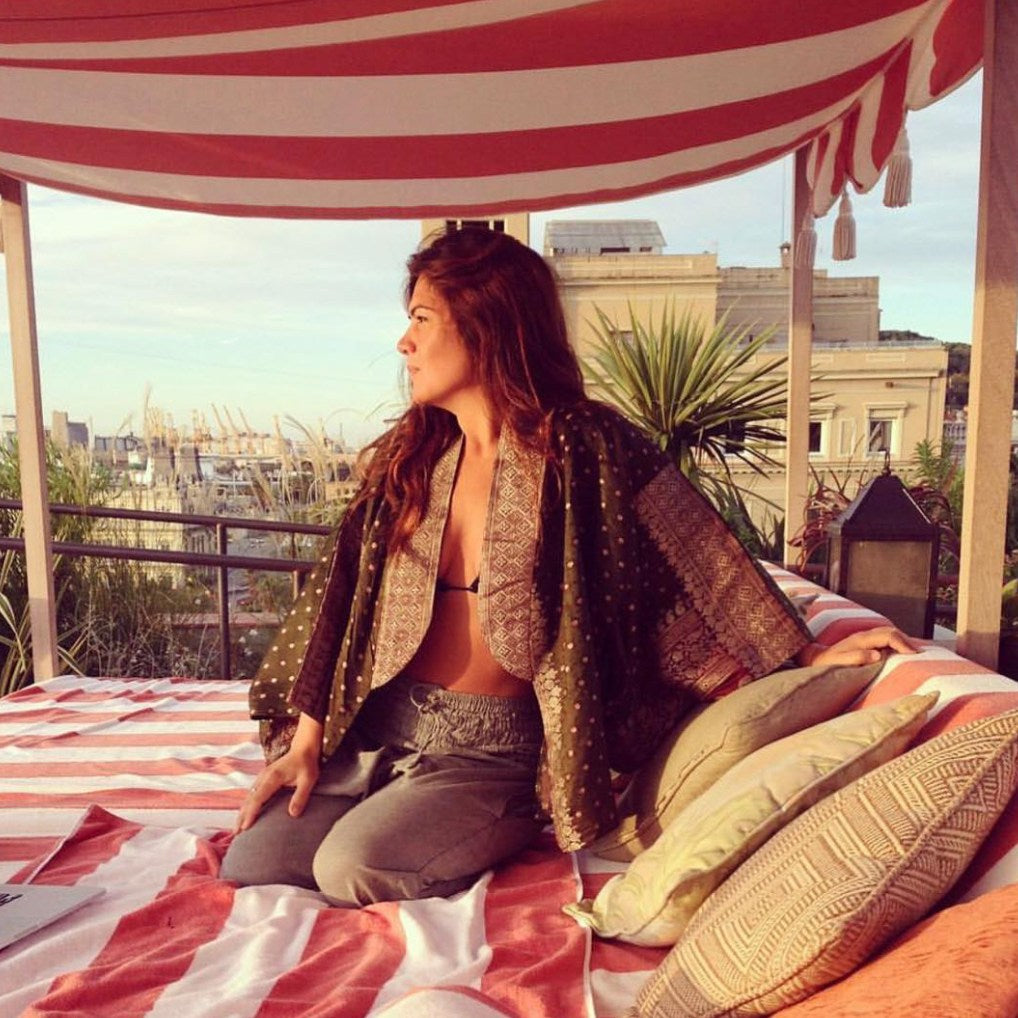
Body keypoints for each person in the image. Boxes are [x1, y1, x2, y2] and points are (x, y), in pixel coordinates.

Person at [220, 227, 914, 907]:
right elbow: (338, 606)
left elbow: (697, 560)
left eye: (421, 320)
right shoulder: (411, 456)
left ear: (485, 324)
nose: (404, 342)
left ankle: (518, 813)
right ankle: (384, 803)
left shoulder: (585, 448)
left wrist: (804, 654)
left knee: (353, 868)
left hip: (489, 758)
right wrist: (307, 743)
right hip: (376, 729)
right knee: (254, 861)